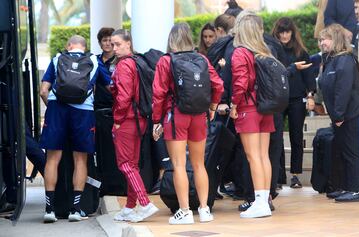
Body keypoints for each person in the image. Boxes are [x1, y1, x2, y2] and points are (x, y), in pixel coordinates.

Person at [152, 22, 224, 224]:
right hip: (199, 116)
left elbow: (158, 93)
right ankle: (204, 210)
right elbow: (218, 84)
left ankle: (184, 211)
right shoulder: (201, 58)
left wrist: (156, 120)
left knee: (179, 165)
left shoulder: (166, 61)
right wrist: (212, 107)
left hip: (176, 116)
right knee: (199, 164)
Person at [39, 35, 111, 223]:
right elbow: (111, 86)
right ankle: (76, 209)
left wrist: (52, 107)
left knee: (53, 158)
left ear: (69, 45)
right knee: (80, 160)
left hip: (57, 110)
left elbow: (43, 90)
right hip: (83, 113)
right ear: (84, 46)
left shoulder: (56, 60)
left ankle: (49, 210)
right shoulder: (94, 60)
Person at [110, 29, 159, 223]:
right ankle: (130, 207)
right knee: (133, 165)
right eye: (113, 44)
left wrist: (117, 120)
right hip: (140, 119)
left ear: (128, 43)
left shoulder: (123, 66)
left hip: (127, 119)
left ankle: (145, 203)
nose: (114, 48)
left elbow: (124, 97)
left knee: (126, 164)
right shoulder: (138, 62)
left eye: (118, 44)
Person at [229, 10, 274, 218]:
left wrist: (234, 105)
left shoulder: (240, 52)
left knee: (252, 156)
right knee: (263, 156)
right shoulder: (264, 50)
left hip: (248, 107)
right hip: (266, 107)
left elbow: (241, 83)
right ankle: (264, 201)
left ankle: (260, 203)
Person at [272, 17, 316, 189]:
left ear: (292, 32)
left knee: (296, 136)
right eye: (282, 31)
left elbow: (308, 76)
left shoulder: (301, 52)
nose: (284, 35)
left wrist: (310, 95)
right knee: (276, 137)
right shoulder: (273, 50)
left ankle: (296, 175)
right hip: (278, 98)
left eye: (287, 31)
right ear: (277, 31)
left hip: (297, 98)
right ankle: (279, 176)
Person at [318, 23, 359, 202]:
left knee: (352, 153)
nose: (321, 43)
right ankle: (345, 186)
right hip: (340, 117)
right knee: (343, 152)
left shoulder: (345, 61)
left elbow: (342, 91)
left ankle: (355, 189)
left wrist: (339, 115)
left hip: (349, 116)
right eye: (320, 40)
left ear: (335, 39)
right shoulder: (332, 60)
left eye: (324, 39)